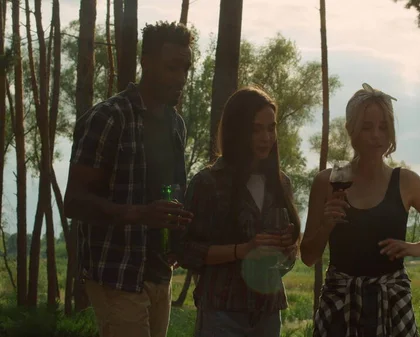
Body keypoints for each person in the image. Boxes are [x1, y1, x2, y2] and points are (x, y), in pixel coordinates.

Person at [64, 21, 195, 337]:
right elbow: (75, 202)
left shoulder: (176, 125)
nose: (180, 78)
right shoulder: (109, 117)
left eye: (185, 68)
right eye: (171, 68)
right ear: (145, 62)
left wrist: (177, 237)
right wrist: (140, 214)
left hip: (159, 271)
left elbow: (172, 193)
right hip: (116, 272)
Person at [300, 83, 420, 337]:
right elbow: (308, 256)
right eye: (367, 127)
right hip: (338, 307)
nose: (376, 135)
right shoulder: (327, 181)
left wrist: (416, 248)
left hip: (393, 308)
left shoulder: (406, 182)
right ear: (350, 129)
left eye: (383, 127)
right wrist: (326, 225)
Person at [178, 86, 301, 337]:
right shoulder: (207, 183)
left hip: (268, 312)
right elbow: (185, 251)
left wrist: (288, 248)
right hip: (221, 313)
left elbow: (284, 261)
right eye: (256, 129)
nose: (266, 137)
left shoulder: (281, 183)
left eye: (271, 128)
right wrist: (242, 251)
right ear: (237, 131)